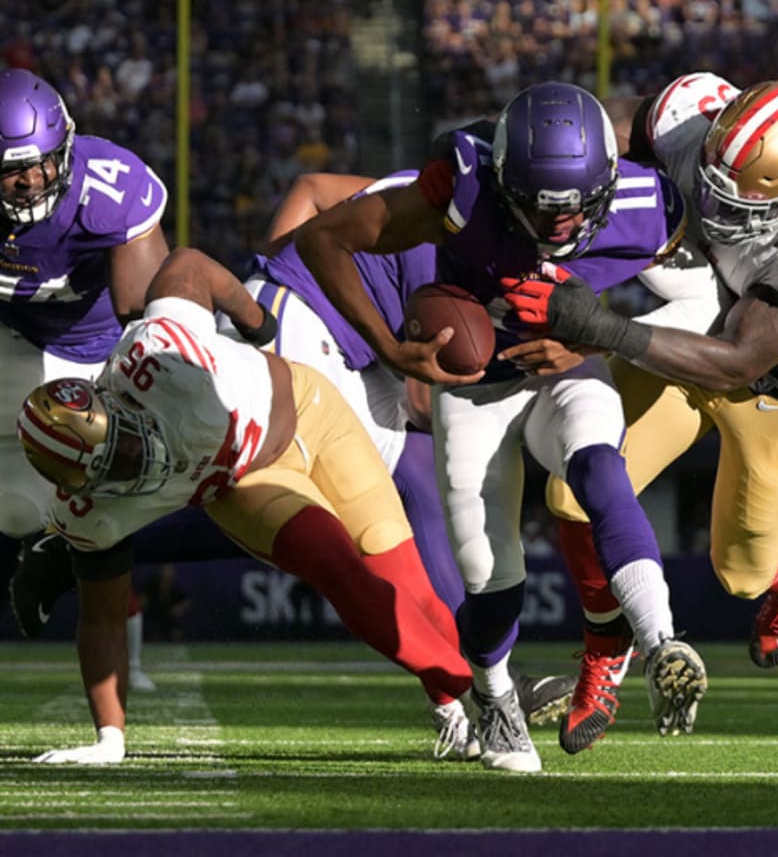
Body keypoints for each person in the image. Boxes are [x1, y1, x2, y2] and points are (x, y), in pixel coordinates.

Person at [294, 81, 707, 773]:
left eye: (573, 213)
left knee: (601, 466)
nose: (558, 231)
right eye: (539, 213)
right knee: (492, 579)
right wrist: (392, 350)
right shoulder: (461, 187)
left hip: (563, 370)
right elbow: (324, 237)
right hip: (475, 386)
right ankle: (494, 694)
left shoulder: (648, 206)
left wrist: (598, 338)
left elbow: (700, 305)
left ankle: (661, 639)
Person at [503, 74, 778, 752]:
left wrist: (600, 328)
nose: (709, 201)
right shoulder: (688, 120)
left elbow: (736, 361)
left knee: (744, 574)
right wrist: (510, 145)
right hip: (690, 320)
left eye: (733, 198)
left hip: (775, 384)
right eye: (709, 175)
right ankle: (603, 662)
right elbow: (591, 131)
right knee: (573, 494)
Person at [18, 247, 495, 765]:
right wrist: (109, 738)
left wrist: (257, 323)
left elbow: (187, 266)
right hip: (249, 481)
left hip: (314, 411)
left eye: (126, 441)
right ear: (84, 483)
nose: (133, 459)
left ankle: (454, 706)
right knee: (340, 570)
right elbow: (103, 620)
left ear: (115, 404)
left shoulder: (158, 355)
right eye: (114, 467)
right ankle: (486, 699)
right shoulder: (93, 512)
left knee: (410, 582)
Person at [243, 168, 574, 724]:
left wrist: (272, 270)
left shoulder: (431, 187)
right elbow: (424, 403)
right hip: (308, 331)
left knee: (410, 483)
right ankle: (468, 690)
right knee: (305, 514)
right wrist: (284, 283)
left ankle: (477, 681)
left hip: (347, 351)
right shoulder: (464, 247)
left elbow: (309, 188)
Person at [0, 69, 162, 691]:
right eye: (15, 170)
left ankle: (57, 549)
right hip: (17, 340)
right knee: (16, 510)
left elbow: (148, 314)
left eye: (42, 164)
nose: (33, 180)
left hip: (102, 347)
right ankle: (43, 542)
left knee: (126, 486)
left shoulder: (107, 188)